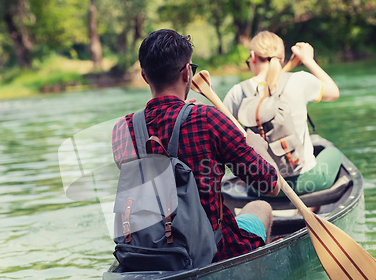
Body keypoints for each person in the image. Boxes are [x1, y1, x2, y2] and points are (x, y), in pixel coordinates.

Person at [111, 29, 280, 262]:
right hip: (212, 250)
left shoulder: (122, 130)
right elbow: (270, 184)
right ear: (187, 73)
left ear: (144, 76)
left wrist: (184, 118)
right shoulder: (208, 119)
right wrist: (259, 148)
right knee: (261, 207)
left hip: (148, 251)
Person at [223, 31, 342, 196]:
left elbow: (226, 138)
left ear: (253, 56)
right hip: (306, 182)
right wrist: (308, 60)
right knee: (333, 152)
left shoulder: (237, 92)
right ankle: (311, 208)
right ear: (281, 58)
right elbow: (334, 92)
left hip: (260, 188)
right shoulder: (299, 80)